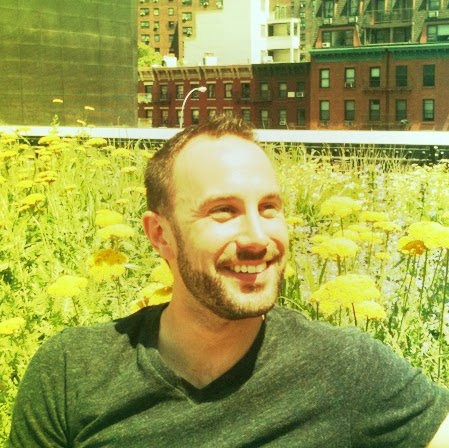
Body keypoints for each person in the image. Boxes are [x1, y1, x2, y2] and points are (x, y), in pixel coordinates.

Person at [7, 116, 449, 447]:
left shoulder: (345, 368)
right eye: (224, 211)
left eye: (269, 208)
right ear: (160, 235)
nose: (258, 237)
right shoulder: (71, 372)